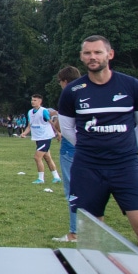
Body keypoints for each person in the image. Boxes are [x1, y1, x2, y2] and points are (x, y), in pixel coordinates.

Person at [57, 35, 138, 254]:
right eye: (87, 53)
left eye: (97, 52)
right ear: (81, 57)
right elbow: (67, 129)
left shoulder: (132, 86)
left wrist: (127, 148)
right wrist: (90, 146)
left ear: (110, 54)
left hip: (126, 167)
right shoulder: (72, 91)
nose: (92, 57)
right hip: (88, 168)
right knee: (92, 234)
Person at [51, 66, 81, 242]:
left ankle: (74, 233)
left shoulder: (68, 95)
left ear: (64, 81)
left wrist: (55, 118)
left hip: (71, 147)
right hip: (91, 147)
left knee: (73, 191)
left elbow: (63, 127)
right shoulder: (89, 94)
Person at [19, 94, 61, 185]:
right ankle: (56, 177)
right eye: (32, 100)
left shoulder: (44, 111)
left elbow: (52, 123)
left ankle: (41, 179)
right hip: (38, 138)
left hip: (45, 137)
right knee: (47, 157)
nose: (32, 102)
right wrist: (24, 133)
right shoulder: (30, 112)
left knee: (37, 157)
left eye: (35, 100)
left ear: (40, 102)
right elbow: (30, 126)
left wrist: (58, 132)